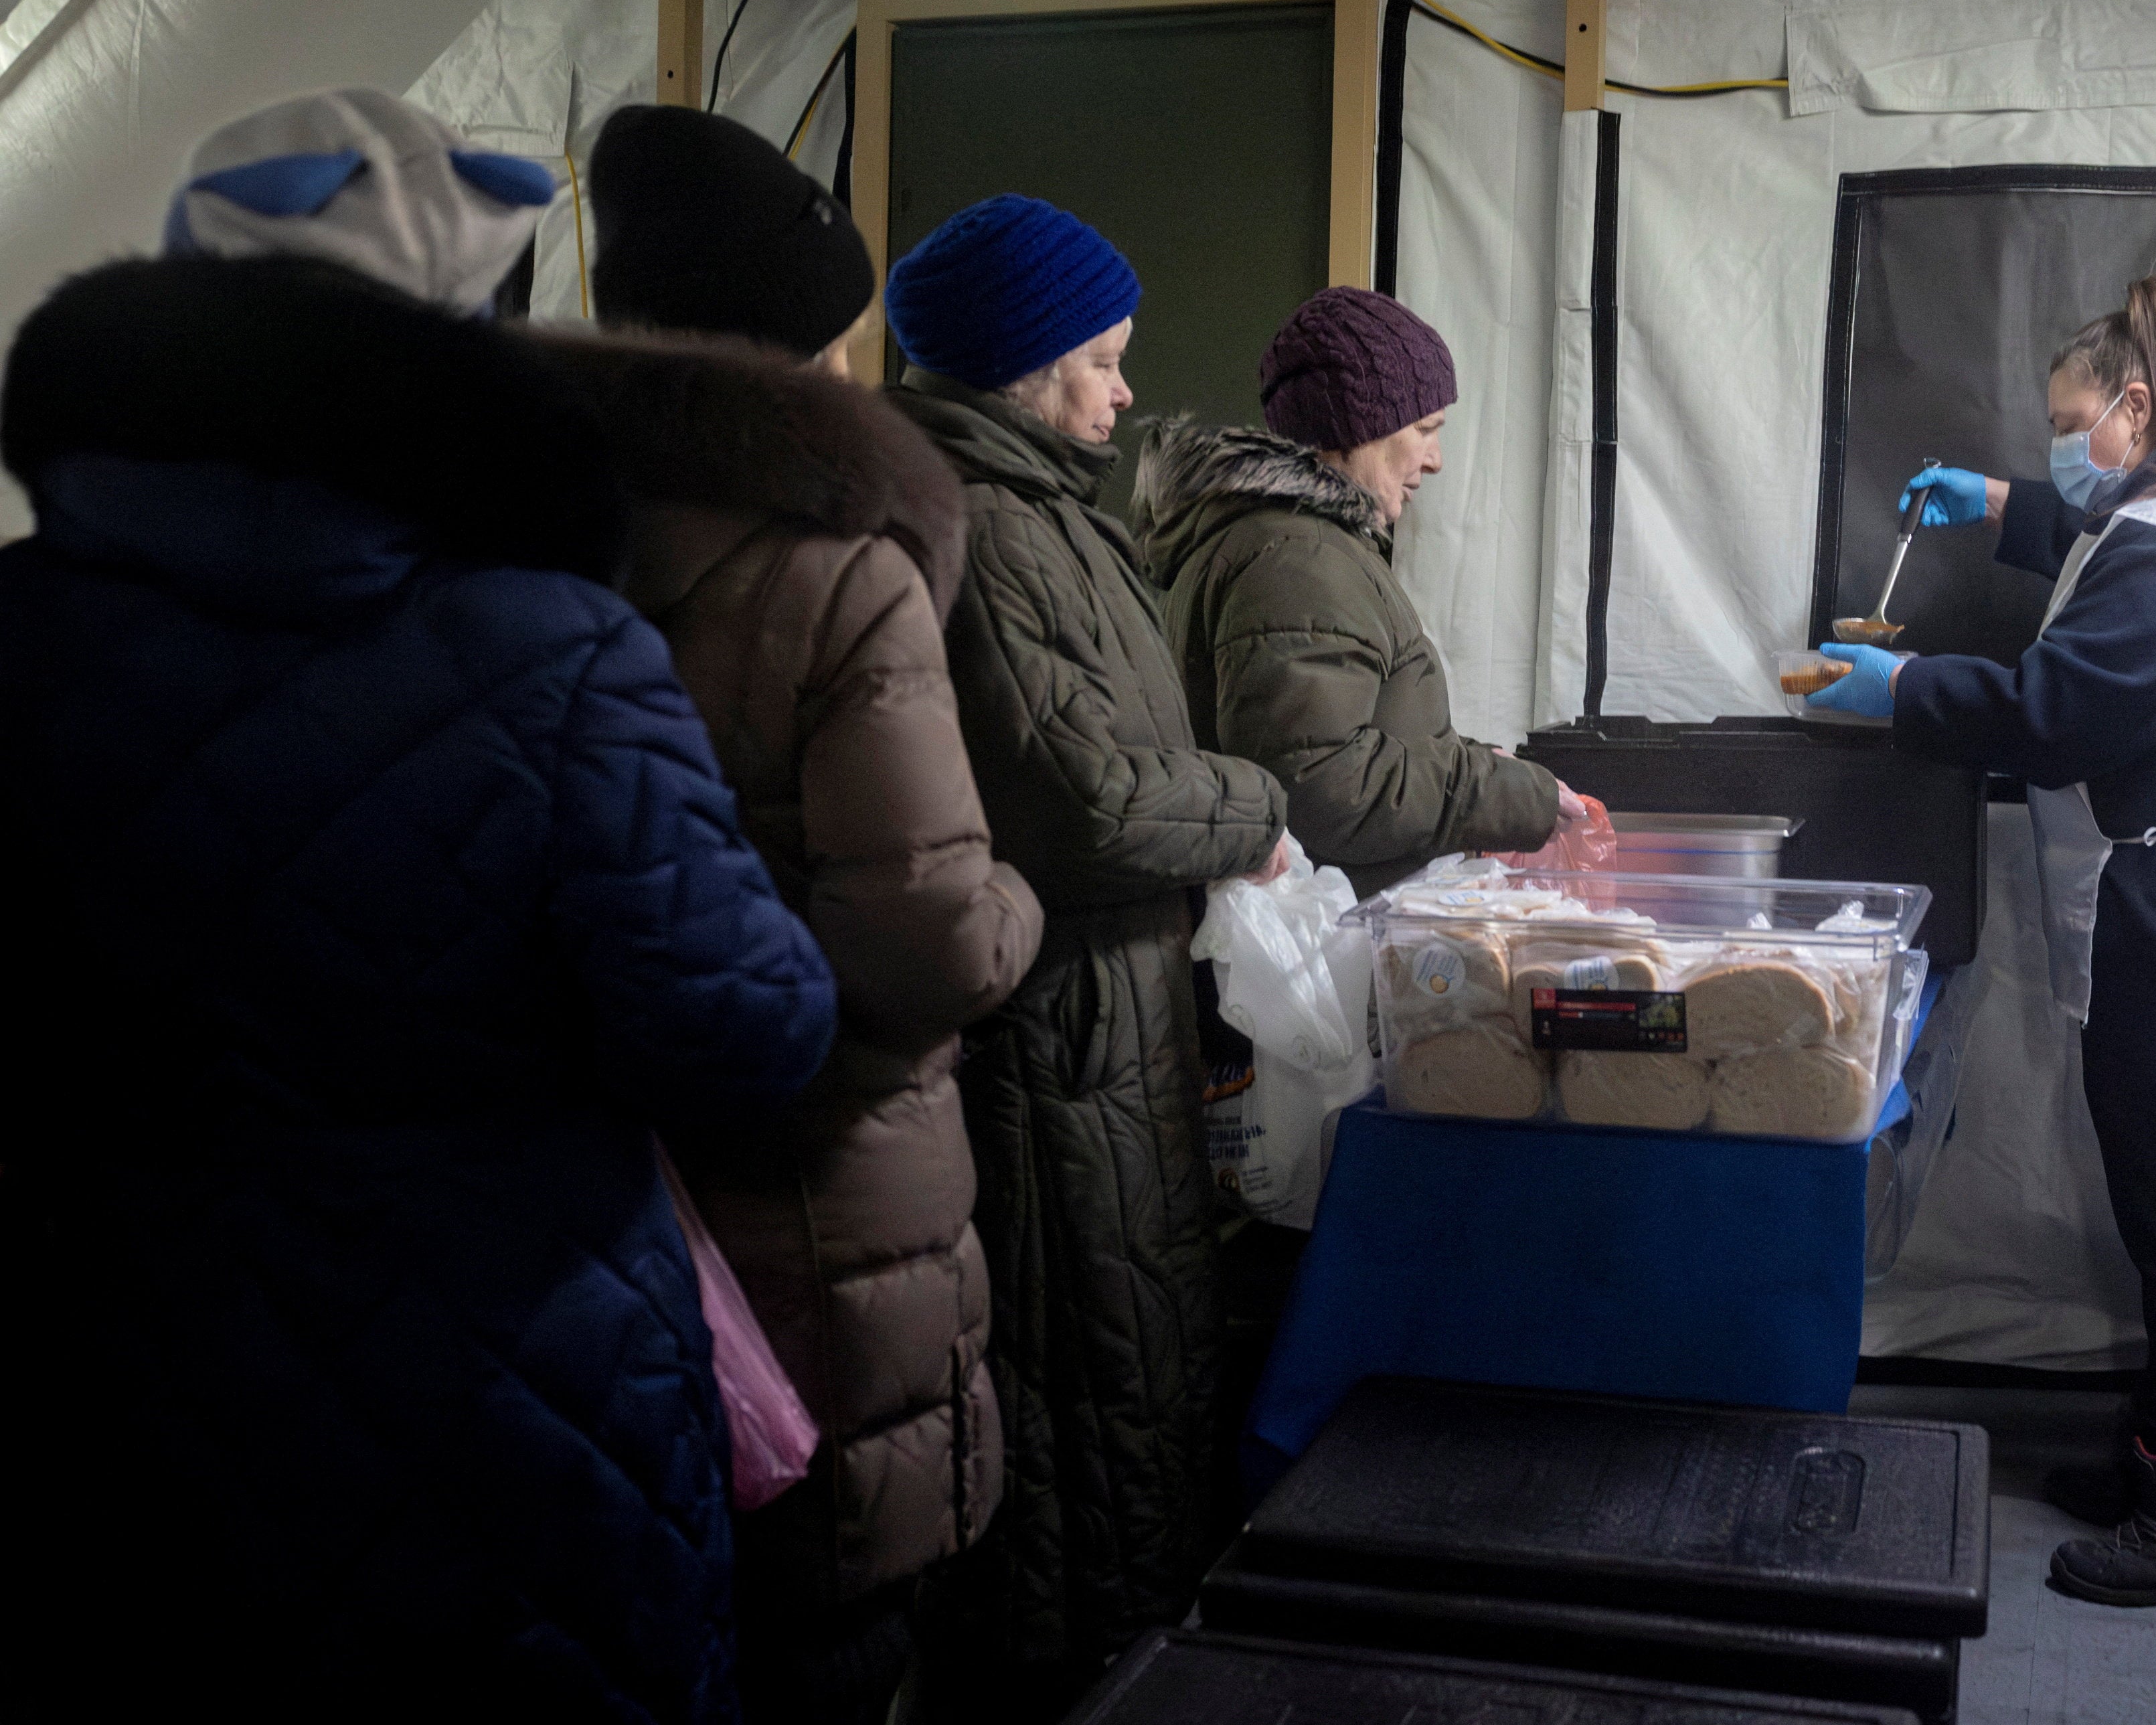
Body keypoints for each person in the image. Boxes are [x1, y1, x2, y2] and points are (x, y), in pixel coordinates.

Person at [0, 89, 838, 1717]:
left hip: (107, 1378)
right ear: (468, 342)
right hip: (507, 1392)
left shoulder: (17, 629)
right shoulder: (552, 646)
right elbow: (741, 1032)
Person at [576, 104, 1046, 1724]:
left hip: (596, 1220)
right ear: (797, 353)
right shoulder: (837, 569)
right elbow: (927, 945)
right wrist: (1020, 903)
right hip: (821, 1202)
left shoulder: (511, 538)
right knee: (832, 1640)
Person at [1809, 272, 2156, 1607]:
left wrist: (1906, 691)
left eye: (2067, 422)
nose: (2057, 444)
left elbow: (2061, 703)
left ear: (2137, 409)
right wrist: (1999, 507)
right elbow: (2109, 551)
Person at [878, 193, 1291, 1717]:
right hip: (1050, 1037)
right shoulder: (977, 525)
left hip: (1114, 1018)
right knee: (1075, 1394)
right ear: (1017, 363)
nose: (1124, 392)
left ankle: (1134, 1662)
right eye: (1100, 359)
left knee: (1131, 1368)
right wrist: (1253, 806)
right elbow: (1089, 797)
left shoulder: (1053, 507)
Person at [1133, 285, 1574, 898]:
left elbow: (1349, 736)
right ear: (1357, 425)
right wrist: (1502, 793)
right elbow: (1318, 787)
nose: (1437, 458)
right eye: (1425, 427)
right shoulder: (1298, 558)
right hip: (1314, 953)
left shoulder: (1292, 544)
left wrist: (1478, 763)